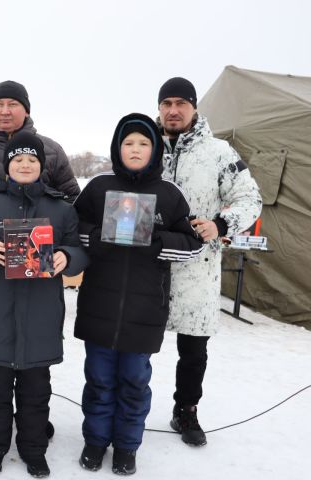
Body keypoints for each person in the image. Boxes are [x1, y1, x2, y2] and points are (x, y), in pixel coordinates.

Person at [73, 113, 205, 475]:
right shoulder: (99, 187)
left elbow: (193, 244)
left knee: (134, 381)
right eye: (128, 143)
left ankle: (127, 446)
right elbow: (73, 228)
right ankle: (95, 441)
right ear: (117, 147)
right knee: (99, 380)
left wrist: (158, 242)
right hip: (99, 304)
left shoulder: (169, 193)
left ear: (155, 148)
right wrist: (96, 235)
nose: (135, 149)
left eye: (143, 143)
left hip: (145, 310)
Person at [0, 80, 81, 432]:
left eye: (13, 104)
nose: (5, 111)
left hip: (36, 260)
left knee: (31, 332)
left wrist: (54, 241)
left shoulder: (49, 150)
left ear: (26, 109)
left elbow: (71, 198)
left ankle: (31, 411)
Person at [0, 132, 88, 477]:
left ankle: (34, 450)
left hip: (40, 318)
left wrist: (66, 256)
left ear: (42, 166)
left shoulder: (60, 209)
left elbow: (79, 252)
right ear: (7, 167)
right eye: (18, 160)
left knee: (36, 394)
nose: (25, 164)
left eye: (32, 160)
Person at [156, 77, 262, 446]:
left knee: (193, 347)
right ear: (159, 108)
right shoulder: (143, 146)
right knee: (135, 342)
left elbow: (250, 199)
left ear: (194, 108)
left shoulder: (219, 152)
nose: (173, 110)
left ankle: (186, 410)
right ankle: (126, 405)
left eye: (180, 103)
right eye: (166, 103)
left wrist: (220, 224)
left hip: (197, 267)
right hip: (148, 265)